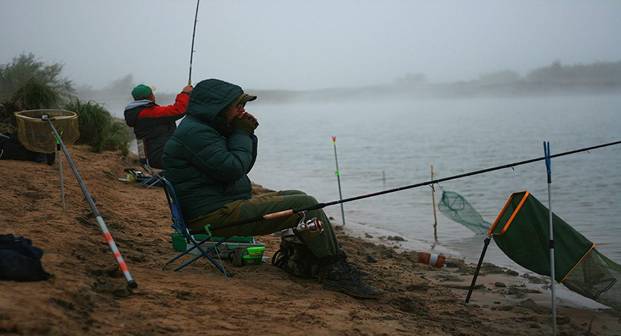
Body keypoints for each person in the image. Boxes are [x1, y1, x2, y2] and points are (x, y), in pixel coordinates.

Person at [162, 78, 378, 299]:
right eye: (237, 106)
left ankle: (305, 259)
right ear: (216, 107)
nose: (242, 111)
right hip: (213, 216)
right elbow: (234, 168)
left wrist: (245, 134)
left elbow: (240, 165)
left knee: (299, 196)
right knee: (305, 206)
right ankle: (334, 269)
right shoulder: (197, 134)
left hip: (217, 207)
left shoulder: (203, 128)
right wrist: (241, 133)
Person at [123, 84, 192, 169]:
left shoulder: (137, 111)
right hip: (160, 157)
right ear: (150, 96)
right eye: (152, 93)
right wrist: (185, 93)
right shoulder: (147, 112)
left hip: (154, 156)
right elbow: (178, 110)